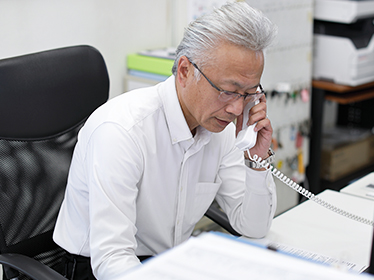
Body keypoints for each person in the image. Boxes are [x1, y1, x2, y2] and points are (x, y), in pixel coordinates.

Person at [53, 2, 278, 279]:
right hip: (98, 268)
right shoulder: (122, 131)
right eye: (228, 91)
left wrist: (255, 159)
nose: (235, 109)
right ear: (184, 71)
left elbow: (254, 227)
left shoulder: (223, 127)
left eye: (248, 94)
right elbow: (112, 258)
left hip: (170, 262)